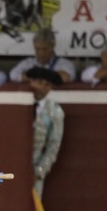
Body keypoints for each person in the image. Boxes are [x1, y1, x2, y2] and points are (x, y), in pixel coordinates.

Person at [25, 66, 63, 198]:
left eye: (47, 85)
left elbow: (54, 145)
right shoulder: (20, 104)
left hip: (34, 166)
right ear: (31, 82)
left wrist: (39, 171)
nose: (43, 87)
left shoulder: (55, 111)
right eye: (40, 82)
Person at [9, 28, 76, 85]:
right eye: (37, 49)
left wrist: (32, 75)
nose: (41, 53)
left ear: (53, 46)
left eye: (45, 49)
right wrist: (52, 76)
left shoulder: (65, 64)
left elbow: (66, 78)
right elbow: (14, 75)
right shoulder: (27, 63)